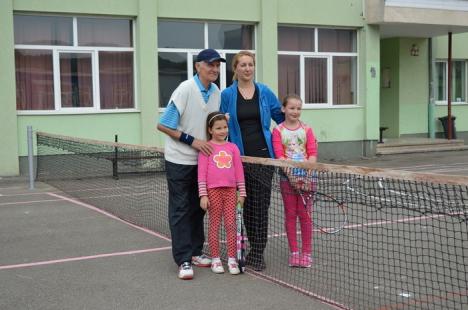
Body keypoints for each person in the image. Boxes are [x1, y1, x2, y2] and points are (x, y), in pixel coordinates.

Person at [157, 48, 226, 280]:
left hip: (204, 162)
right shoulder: (185, 89)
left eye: (217, 65)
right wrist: (192, 140)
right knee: (180, 209)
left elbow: (212, 124)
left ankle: (196, 251)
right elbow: (164, 125)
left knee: (199, 208)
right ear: (198, 66)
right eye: (210, 65)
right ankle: (184, 259)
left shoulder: (216, 92)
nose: (215, 69)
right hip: (179, 160)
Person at [220, 51, 284, 271]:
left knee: (262, 206)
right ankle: (249, 246)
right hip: (240, 160)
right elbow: (217, 123)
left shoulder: (264, 91)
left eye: (250, 65)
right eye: (242, 65)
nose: (247, 68)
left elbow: (281, 116)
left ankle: (258, 252)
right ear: (235, 69)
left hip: (265, 158)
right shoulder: (227, 95)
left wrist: (296, 136)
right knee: (246, 205)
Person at [272, 94, 318, 268]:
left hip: (307, 178)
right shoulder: (278, 130)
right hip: (287, 178)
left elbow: (312, 154)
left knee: (305, 216)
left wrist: (306, 176)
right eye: (292, 108)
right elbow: (279, 155)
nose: (295, 111)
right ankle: (294, 253)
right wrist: (291, 176)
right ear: (283, 109)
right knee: (291, 215)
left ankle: (307, 253)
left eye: (298, 108)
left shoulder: (307, 130)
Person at [198, 112, 246, 275]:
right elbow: (201, 174)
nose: (223, 131)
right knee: (215, 224)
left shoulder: (233, 148)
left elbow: (239, 172)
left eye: (225, 127)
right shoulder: (206, 148)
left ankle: (232, 259)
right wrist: (203, 195)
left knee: (231, 225)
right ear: (210, 130)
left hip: (231, 191)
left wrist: (242, 193)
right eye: (218, 128)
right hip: (213, 192)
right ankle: (216, 259)